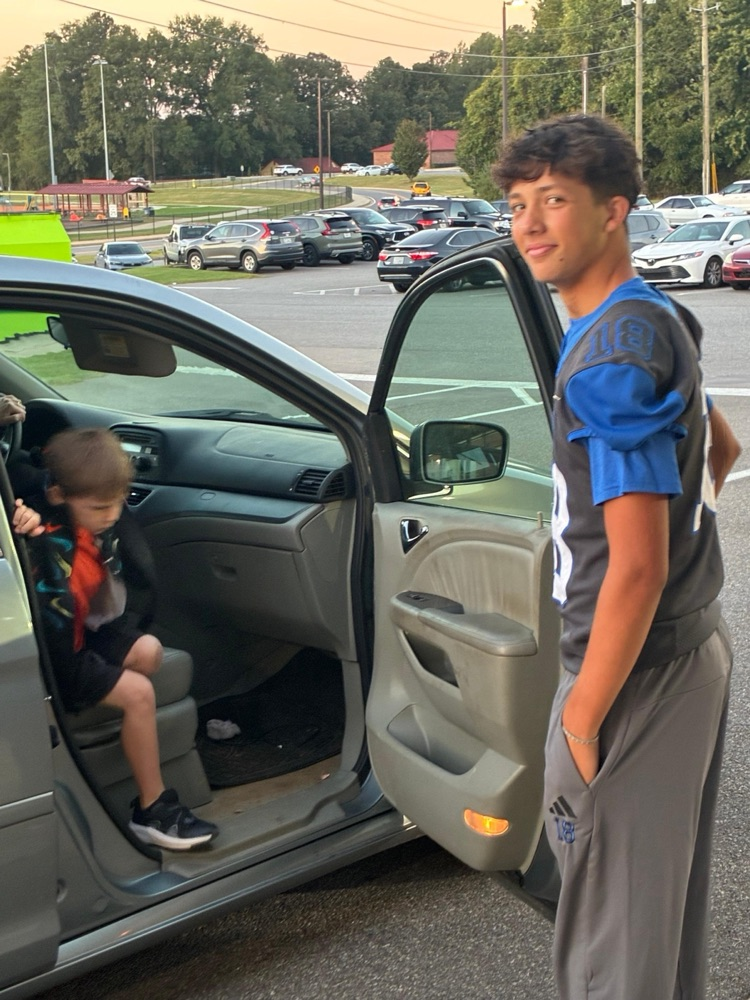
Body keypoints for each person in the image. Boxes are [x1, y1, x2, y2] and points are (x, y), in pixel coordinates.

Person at [494, 114, 740, 1000]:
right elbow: (722, 448)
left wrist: (582, 717)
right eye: (520, 203)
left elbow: (632, 568)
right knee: (654, 928)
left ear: (614, 212)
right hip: (688, 647)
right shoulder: (650, 314)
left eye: (556, 200)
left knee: (610, 950)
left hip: (636, 672)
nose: (531, 224)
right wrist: (685, 540)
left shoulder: (605, 360)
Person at [27, 427, 218, 851]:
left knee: (149, 651)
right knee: (138, 693)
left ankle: (110, 705)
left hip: (86, 633)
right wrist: (33, 529)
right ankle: (152, 810)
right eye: (99, 507)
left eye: (118, 503)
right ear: (58, 495)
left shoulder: (96, 521)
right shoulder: (41, 532)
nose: (112, 515)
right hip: (56, 654)